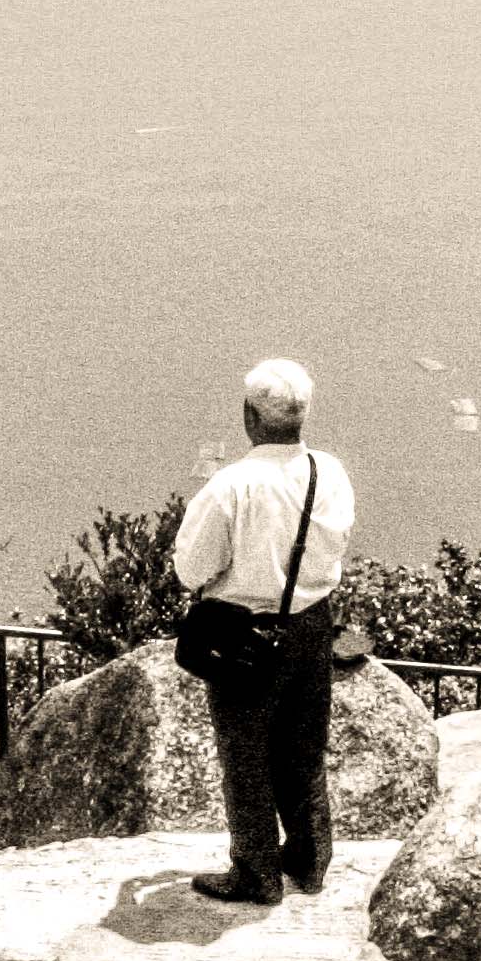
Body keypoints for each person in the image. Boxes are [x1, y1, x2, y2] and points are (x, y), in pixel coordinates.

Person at [170, 357, 356, 903]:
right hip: (313, 624)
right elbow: (336, 544)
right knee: (304, 749)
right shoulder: (329, 473)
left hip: (244, 633)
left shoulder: (231, 486)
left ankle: (255, 873)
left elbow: (192, 569)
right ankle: (310, 860)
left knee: (246, 756)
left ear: (249, 416)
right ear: (303, 415)